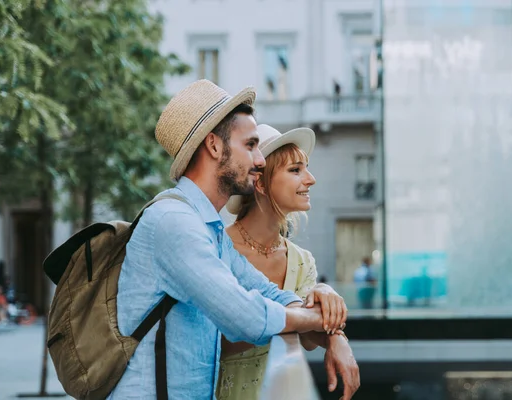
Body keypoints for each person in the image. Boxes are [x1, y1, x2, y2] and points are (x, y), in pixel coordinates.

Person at [109, 80, 346, 399]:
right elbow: (244, 316)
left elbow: (263, 290)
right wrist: (315, 317)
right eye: (250, 145)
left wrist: (330, 327)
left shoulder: (206, 227)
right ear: (214, 146)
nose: (260, 160)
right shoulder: (174, 223)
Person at [217, 124, 360, 400]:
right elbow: (213, 338)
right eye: (295, 170)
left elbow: (306, 338)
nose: (311, 179)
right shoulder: (219, 249)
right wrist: (313, 319)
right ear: (259, 183)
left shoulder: (302, 261)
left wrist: (335, 336)